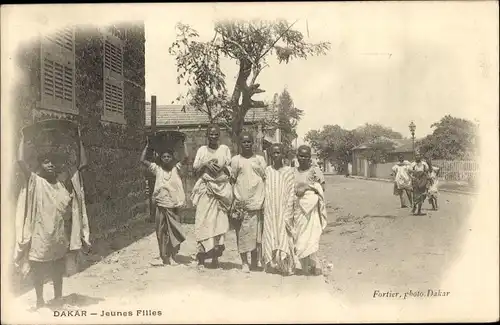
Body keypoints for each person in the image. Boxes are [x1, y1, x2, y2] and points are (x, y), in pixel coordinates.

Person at [14, 131, 90, 310]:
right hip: (40, 234)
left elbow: (82, 165)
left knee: (58, 267)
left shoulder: (63, 183)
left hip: (58, 234)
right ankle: (40, 299)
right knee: (38, 268)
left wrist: (78, 140)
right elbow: (20, 162)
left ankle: (57, 298)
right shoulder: (35, 181)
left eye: (53, 162)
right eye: (46, 162)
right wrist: (23, 138)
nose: (50, 165)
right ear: (40, 164)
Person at [191, 124, 233, 269]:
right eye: (211, 134)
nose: (213, 137)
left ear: (219, 135)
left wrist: (222, 167)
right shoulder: (202, 150)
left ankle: (215, 258)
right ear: (207, 135)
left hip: (220, 190)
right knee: (203, 222)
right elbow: (195, 170)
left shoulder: (224, 150)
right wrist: (206, 164)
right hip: (206, 190)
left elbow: (230, 169)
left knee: (218, 224)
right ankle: (201, 257)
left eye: (216, 134)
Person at [140, 138, 187, 266]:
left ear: (172, 157)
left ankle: (173, 255)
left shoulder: (176, 168)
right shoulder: (157, 169)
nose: (166, 158)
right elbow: (143, 161)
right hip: (161, 205)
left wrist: (183, 144)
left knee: (174, 231)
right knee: (161, 232)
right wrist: (148, 146)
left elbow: (185, 158)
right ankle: (164, 256)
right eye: (164, 156)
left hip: (174, 205)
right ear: (161, 158)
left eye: (169, 156)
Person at [230, 132, 267, 273]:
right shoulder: (235, 160)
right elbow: (233, 180)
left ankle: (254, 262)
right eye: (244, 142)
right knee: (243, 234)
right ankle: (244, 262)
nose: (246, 144)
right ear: (240, 144)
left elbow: (265, 178)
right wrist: (235, 200)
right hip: (241, 203)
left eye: (249, 142)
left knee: (256, 235)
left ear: (253, 143)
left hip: (257, 202)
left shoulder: (259, 160)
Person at [262, 143, 296, 276]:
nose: (276, 155)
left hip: (284, 209)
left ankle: (286, 265)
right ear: (270, 154)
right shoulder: (267, 171)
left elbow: (291, 190)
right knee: (271, 233)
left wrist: (288, 210)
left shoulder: (288, 171)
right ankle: (273, 263)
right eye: (274, 153)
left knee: (284, 235)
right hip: (270, 208)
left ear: (283, 154)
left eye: (278, 153)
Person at [293, 145, 327, 276]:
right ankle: (304, 265)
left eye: (306, 156)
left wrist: (306, 187)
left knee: (311, 237)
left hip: (311, 210)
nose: (303, 158)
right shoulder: (293, 172)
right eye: (301, 156)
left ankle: (311, 264)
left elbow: (322, 187)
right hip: (298, 209)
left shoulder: (315, 171)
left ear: (310, 158)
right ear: (297, 156)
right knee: (300, 237)